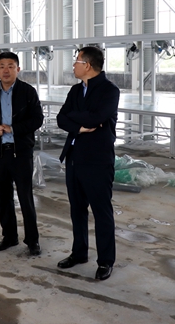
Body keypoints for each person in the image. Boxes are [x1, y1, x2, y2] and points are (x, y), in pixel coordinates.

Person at [56, 46, 120, 281]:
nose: (73, 65)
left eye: (77, 61)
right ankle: (79, 252)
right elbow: (61, 118)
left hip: (97, 160)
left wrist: (75, 117)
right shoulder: (75, 90)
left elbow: (98, 117)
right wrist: (81, 126)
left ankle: (105, 261)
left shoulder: (109, 90)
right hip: (74, 157)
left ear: (88, 65)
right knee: (77, 209)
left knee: (101, 211)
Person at [0, 52, 44, 256]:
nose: (6, 70)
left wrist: (13, 129)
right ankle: (9, 237)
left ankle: (32, 240)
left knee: (25, 198)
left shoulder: (27, 92)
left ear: (18, 69)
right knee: (3, 197)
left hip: (20, 154)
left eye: (11, 66)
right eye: (2, 66)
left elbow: (37, 119)